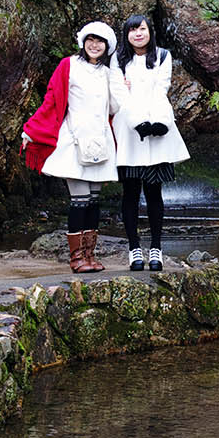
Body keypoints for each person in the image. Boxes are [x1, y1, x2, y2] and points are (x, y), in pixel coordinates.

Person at [20, 21, 126, 273]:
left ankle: (90, 255)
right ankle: (76, 258)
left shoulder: (110, 72)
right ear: (83, 41)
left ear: (107, 46)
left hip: (101, 141)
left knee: (94, 201)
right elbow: (52, 100)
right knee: (79, 200)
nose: (94, 45)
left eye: (100, 41)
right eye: (91, 39)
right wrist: (31, 130)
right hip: (75, 138)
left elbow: (115, 108)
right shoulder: (68, 65)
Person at [111, 14, 190, 271]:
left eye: (141, 29)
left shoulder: (163, 56)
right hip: (129, 132)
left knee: (154, 191)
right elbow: (119, 92)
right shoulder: (118, 58)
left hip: (158, 130)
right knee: (131, 192)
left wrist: (159, 122)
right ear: (126, 34)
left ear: (149, 31)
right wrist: (137, 122)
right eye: (132, 30)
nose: (137, 34)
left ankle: (156, 248)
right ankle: (134, 249)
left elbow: (161, 89)